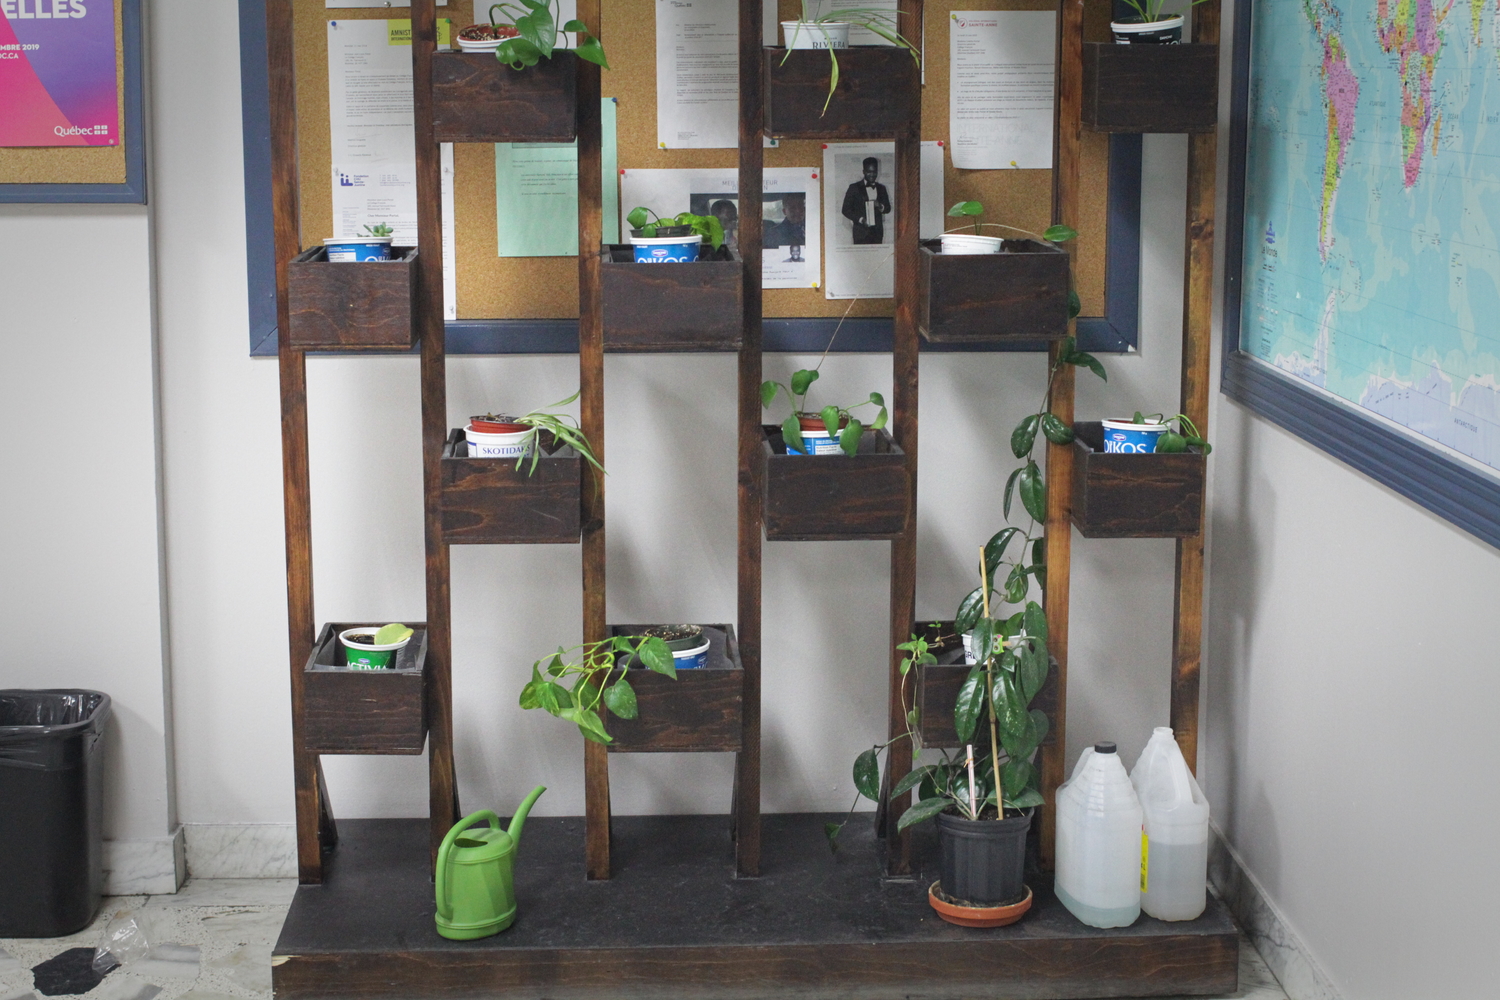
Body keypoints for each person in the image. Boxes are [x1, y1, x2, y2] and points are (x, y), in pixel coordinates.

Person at [840, 157, 890, 245]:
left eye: (874, 172)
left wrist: (880, 205)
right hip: (860, 234)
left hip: (877, 234)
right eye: (869, 172)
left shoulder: (882, 188)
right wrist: (861, 219)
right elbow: (845, 209)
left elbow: (888, 209)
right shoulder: (854, 188)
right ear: (863, 172)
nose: (872, 175)